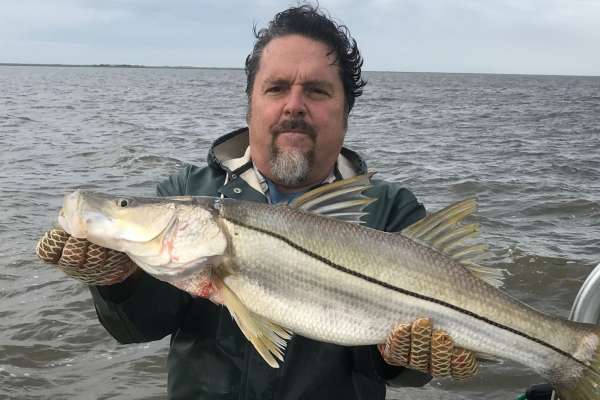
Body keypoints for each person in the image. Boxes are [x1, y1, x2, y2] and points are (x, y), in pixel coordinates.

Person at [37, 4, 481, 399]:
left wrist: (406, 359)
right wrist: (119, 282)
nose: (294, 105)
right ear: (250, 107)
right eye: (276, 88)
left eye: (317, 91)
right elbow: (139, 328)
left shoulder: (390, 211)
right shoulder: (188, 190)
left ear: (346, 113)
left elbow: (406, 372)